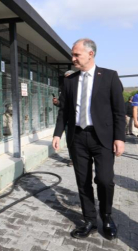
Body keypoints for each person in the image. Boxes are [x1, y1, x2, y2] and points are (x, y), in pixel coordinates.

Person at [52, 38, 125, 240]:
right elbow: (64, 111)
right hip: (77, 137)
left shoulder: (109, 77)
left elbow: (119, 111)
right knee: (82, 181)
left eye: (77, 55)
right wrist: (57, 133)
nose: (72, 58)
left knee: (104, 179)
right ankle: (90, 220)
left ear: (90, 54)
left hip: (102, 138)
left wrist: (120, 137)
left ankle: (107, 216)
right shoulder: (69, 80)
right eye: (72, 54)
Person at [53, 70, 75, 166]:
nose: (67, 79)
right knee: (69, 140)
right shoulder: (63, 89)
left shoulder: (80, 89)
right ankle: (73, 158)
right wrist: (57, 103)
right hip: (67, 121)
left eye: (69, 77)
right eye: (66, 77)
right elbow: (63, 107)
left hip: (77, 121)